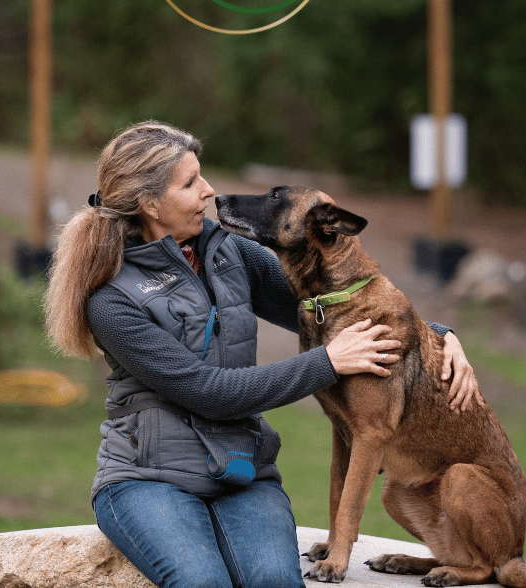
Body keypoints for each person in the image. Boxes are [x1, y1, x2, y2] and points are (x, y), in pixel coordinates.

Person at [45, 120, 478, 588]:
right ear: (150, 203)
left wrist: (437, 336)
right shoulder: (111, 299)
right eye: (190, 183)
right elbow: (208, 392)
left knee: (276, 582)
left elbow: (330, 307)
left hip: (241, 473)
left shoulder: (227, 252)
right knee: (201, 583)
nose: (209, 190)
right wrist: (327, 363)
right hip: (148, 481)